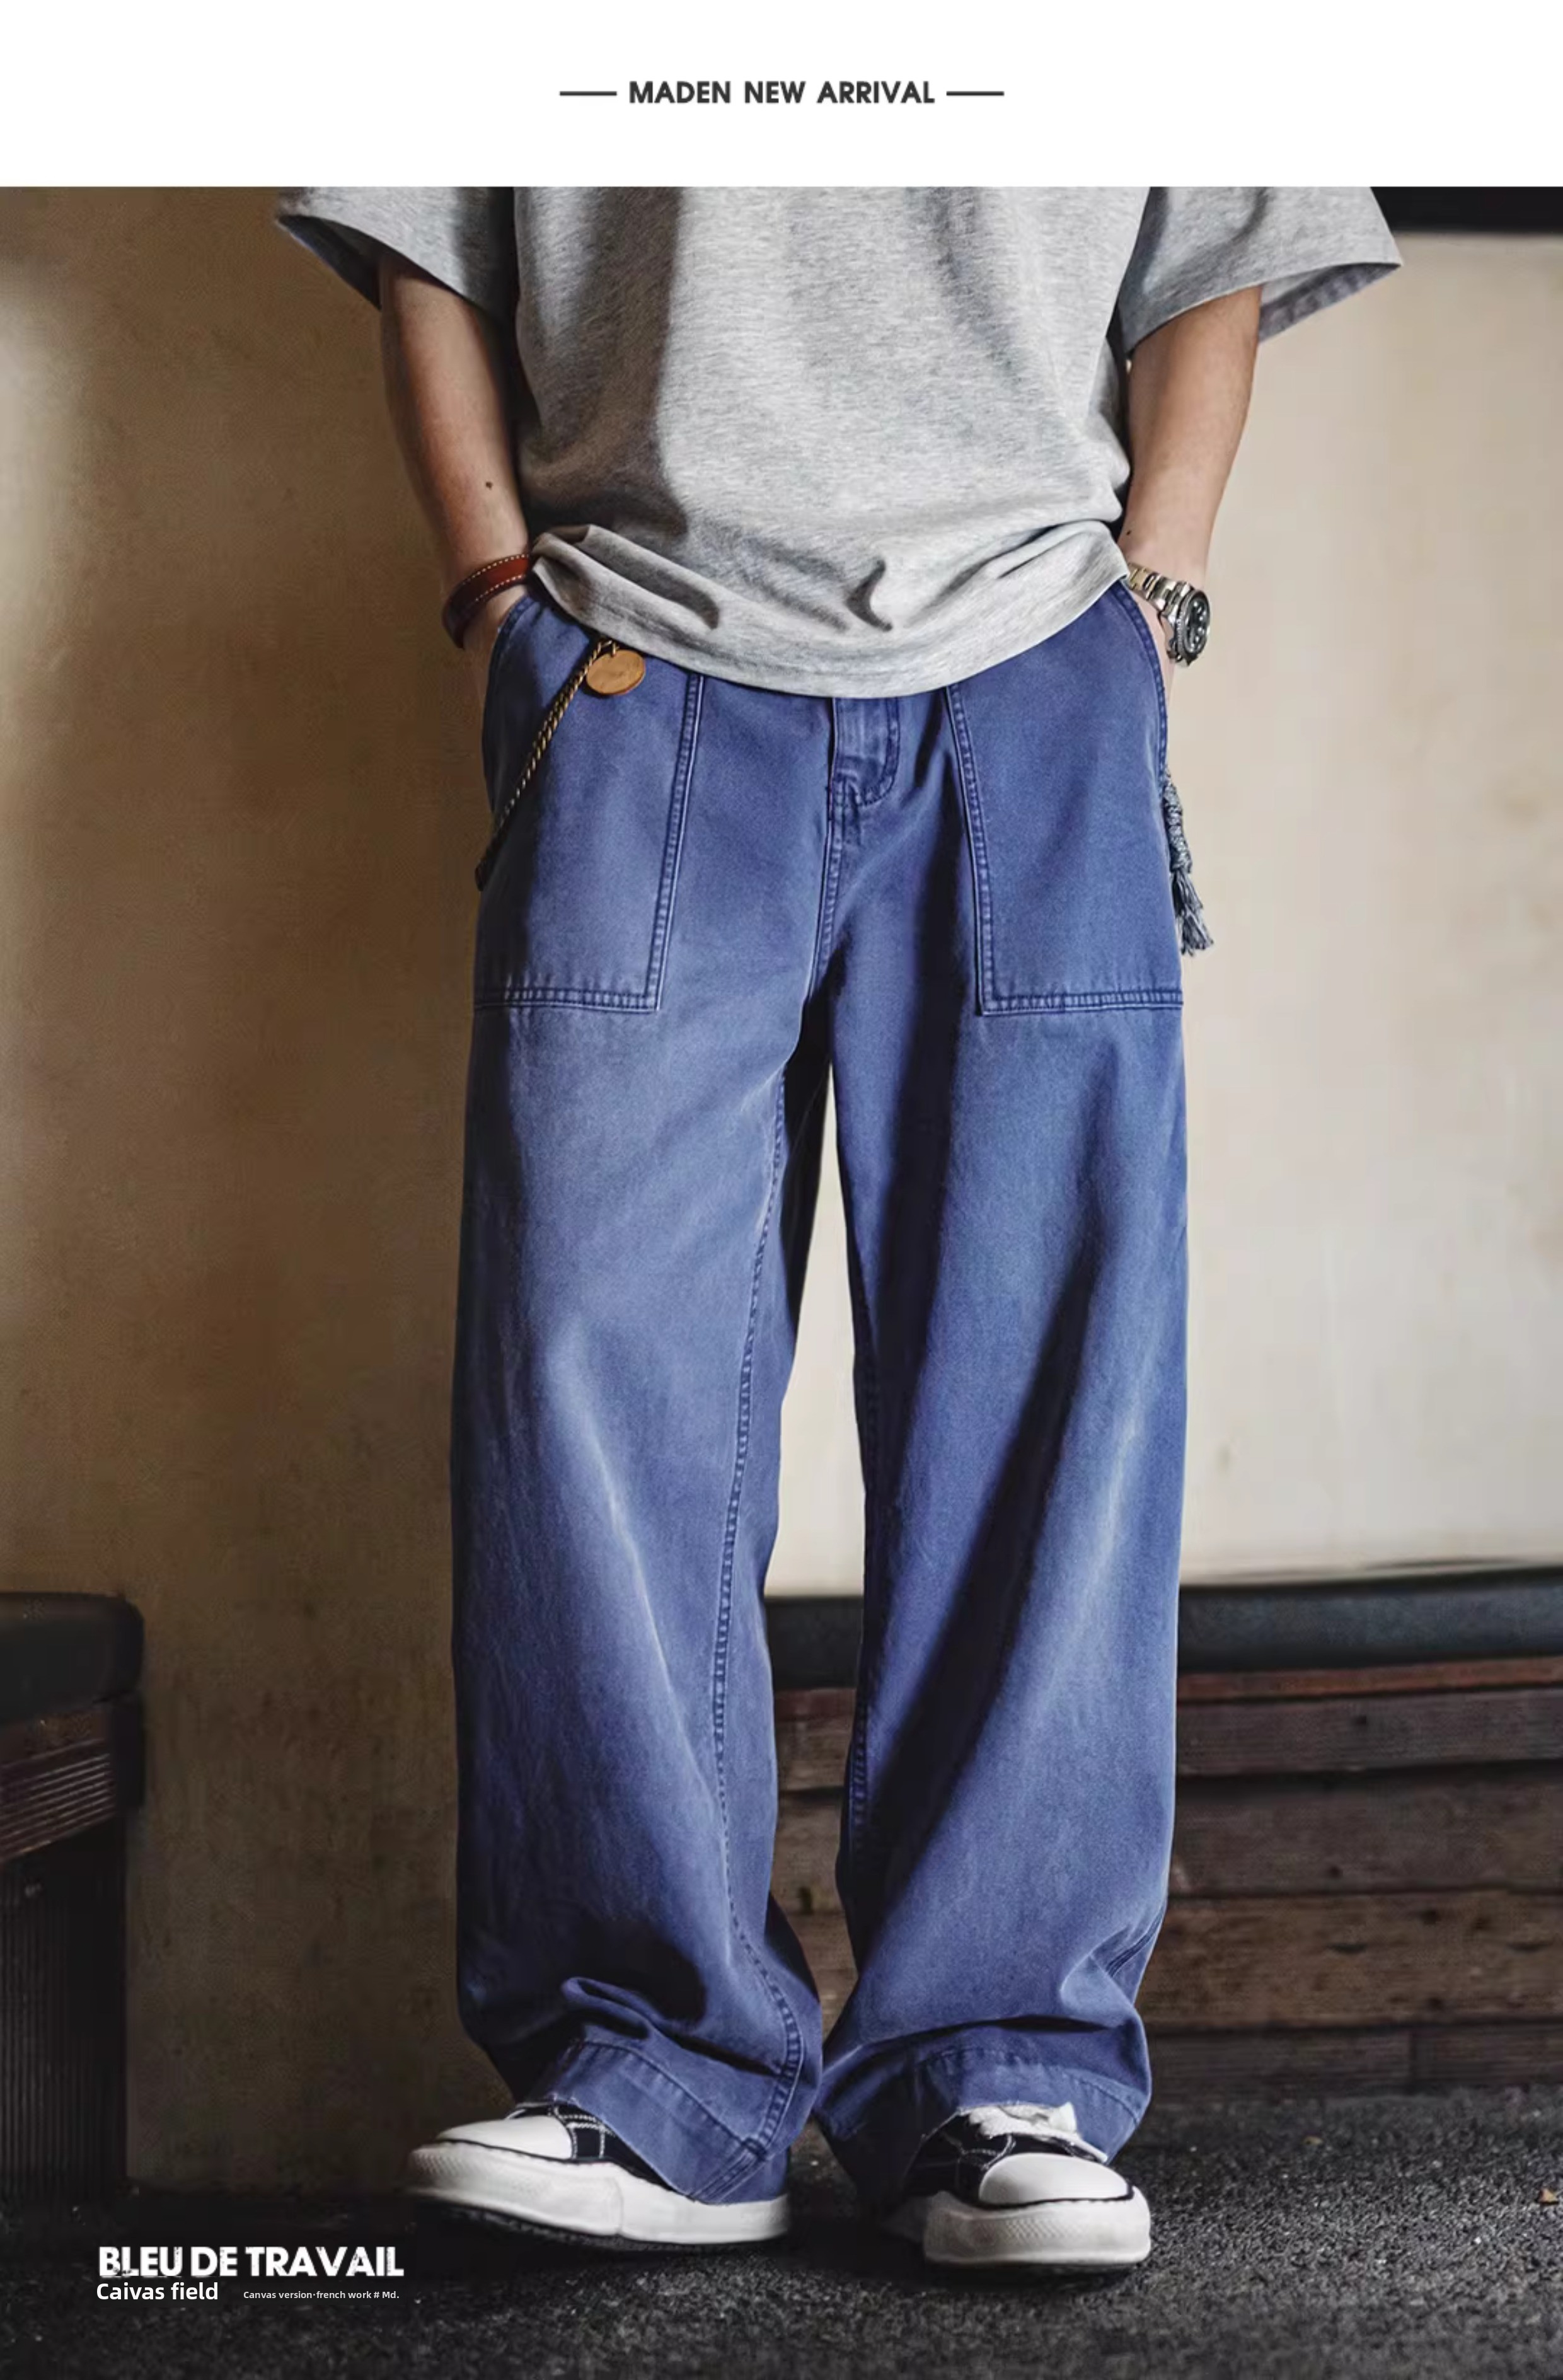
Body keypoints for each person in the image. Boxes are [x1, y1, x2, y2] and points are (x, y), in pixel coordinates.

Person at [275, 186, 1399, 2270]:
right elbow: (431, 231)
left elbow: (1222, 237)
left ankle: (1004, 2062)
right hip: (631, 655)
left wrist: (1150, 601)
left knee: (1046, 1382)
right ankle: (651, 2076)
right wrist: (495, 598)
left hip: (1035, 669)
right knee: (581, 1382)